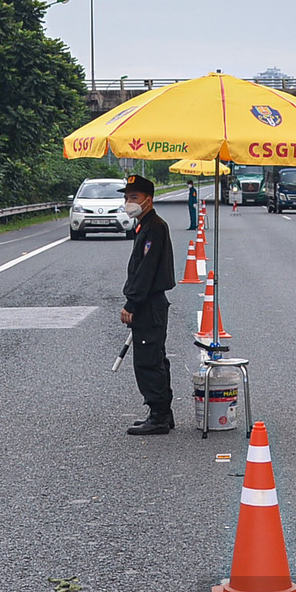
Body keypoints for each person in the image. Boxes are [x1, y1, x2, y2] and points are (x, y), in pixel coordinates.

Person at [118, 174, 176, 435]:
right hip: (150, 303)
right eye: (127, 197)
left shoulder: (154, 227)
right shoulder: (144, 225)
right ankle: (162, 412)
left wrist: (131, 303)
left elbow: (146, 270)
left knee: (148, 360)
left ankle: (159, 416)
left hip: (149, 303)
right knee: (154, 357)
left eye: (134, 198)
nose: (128, 202)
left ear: (148, 200)